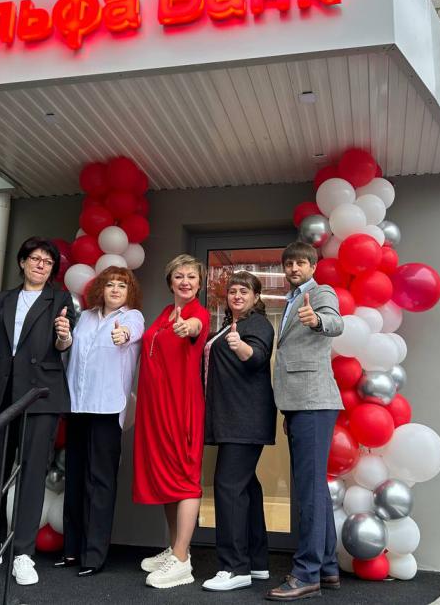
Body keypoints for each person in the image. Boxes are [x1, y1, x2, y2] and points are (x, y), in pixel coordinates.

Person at [0, 237, 76, 586]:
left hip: (41, 396)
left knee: (32, 473)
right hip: (2, 396)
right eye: (35, 259)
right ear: (22, 262)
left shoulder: (60, 299)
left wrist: (63, 336)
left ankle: (23, 553)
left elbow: (63, 344)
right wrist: (3, 370)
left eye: (48, 262)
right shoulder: (3, 299)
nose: (41, 265)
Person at [266, 241, 344, 602]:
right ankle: (327, 567)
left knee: (308, 490)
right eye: (289, 264)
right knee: (314, 488)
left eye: (301, 263)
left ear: (313, 267)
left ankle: (306, 573)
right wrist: (289, 409)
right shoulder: (290, 300)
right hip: (300, 404)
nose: (294, 268)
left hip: (314, 402)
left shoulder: (321, 293)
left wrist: (319, 321)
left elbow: (336, 323)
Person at [56, 267, 145, 577]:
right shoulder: (85, 317)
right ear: (101, 289)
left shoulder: (132, 317)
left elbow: (131, 333)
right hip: (78, 406)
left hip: (107, 409)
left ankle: (94, 556)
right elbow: (66, 349)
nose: (116, 289)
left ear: (129, 292)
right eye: (110, 284)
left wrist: (123, 335)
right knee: (74, 479)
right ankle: (71, 551)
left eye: (122, 285)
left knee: (101, 482)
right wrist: (64, 337)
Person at [132, 254, 210, 589]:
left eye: (191, 276)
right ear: (170, 282)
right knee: (166, 478)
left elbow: (194, 329)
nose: (185, 282)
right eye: (179, 276)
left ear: (199, 283)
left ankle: (181, 562)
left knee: (185, 478)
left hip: (181, 407)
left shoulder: (198, 314)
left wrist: (187, 327)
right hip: (155, 409)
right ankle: (178, 548)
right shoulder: (165, 312)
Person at [202, 271, 276, 592]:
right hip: (233, 418)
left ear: (256, 297)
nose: (237, 295)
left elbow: (257, 357)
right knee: (246, 488)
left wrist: (241, 347)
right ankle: (257, 562)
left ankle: (234, 567)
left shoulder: (257, 325)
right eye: (232, 290)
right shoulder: (227, 325)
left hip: (244, 419)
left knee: (228, 486)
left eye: (244, 291)